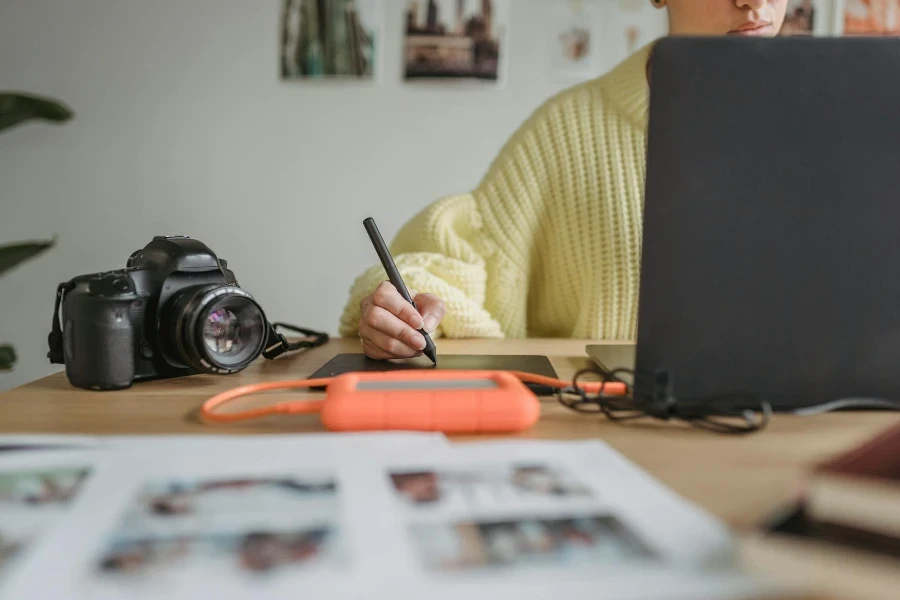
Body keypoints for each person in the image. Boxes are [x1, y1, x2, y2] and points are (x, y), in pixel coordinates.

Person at [340, 0, 790, 360]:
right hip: (611, 425)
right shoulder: (569, 129)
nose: (754, 2)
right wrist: (404, 308)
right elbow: (460, 259)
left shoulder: (839, 124)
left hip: (814, 424)